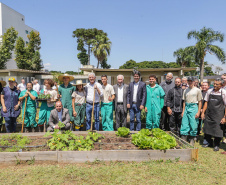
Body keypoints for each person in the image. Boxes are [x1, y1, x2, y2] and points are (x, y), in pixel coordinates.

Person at [201, 79, 226, 151]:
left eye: (217, 84)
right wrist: (203, 113)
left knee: (218, 130)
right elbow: (206, 102)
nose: (215, 85)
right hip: (209, 113)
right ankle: (208, 142)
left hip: (219, 114)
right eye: (214, 84)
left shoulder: (223, 92)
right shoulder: (209, 91)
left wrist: (224, 117)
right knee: (207, 128)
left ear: (221, 85)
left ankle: (217, 144)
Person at [180, 76, 202, 145]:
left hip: (194, 107)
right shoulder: (185, 90)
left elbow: (200, 101)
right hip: (187, 106)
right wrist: (183, 111)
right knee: (184, 123)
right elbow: (184, 101)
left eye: (191, 81)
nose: (189, 82)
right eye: (188, 81)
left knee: (193, 123)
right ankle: (184, 138)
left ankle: (192, 138)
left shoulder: (197, 90)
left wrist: (198, 112)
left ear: (193, 82)